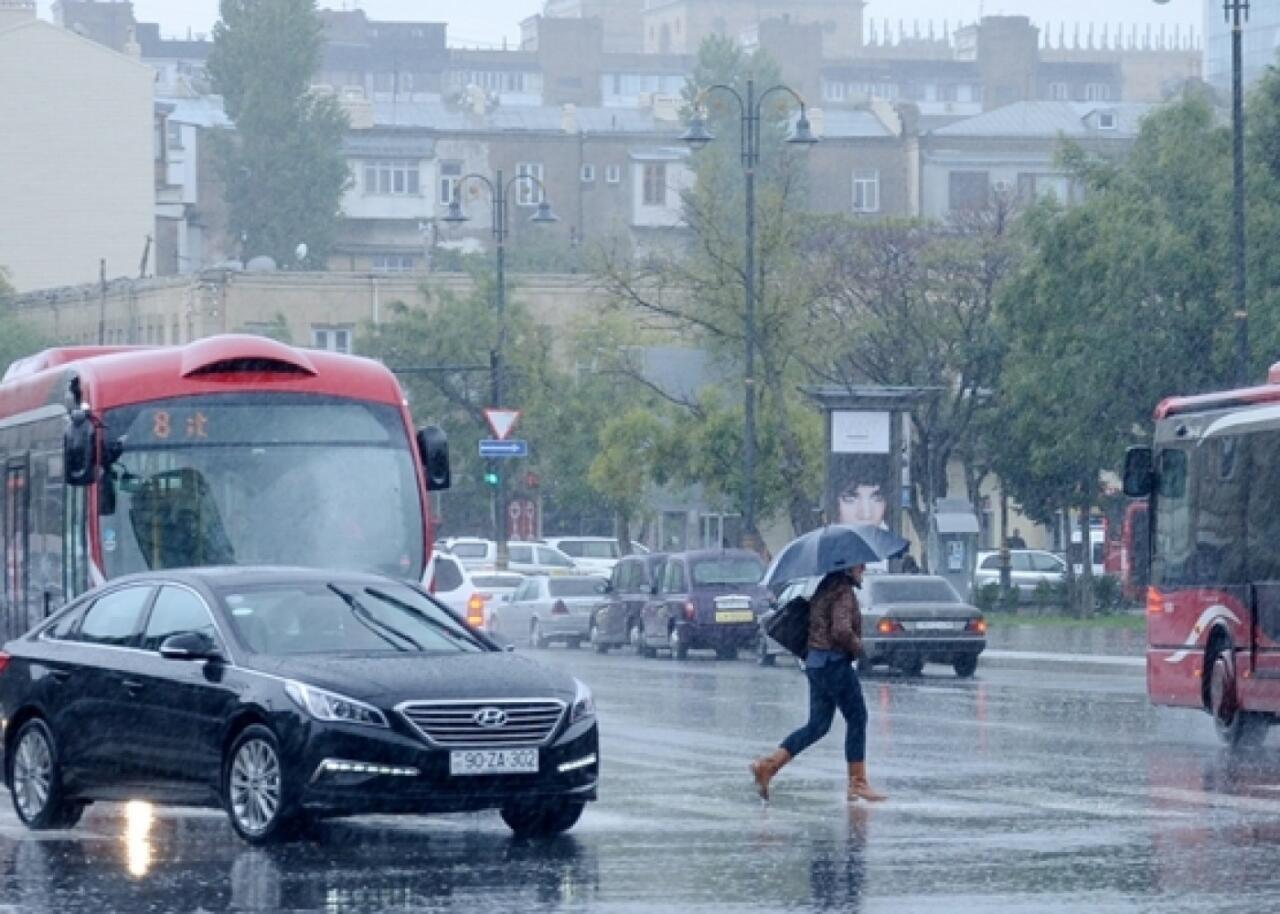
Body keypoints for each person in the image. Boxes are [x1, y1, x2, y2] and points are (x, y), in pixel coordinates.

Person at [749, 563, 887, 804]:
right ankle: (858, 783)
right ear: (848, 568)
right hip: (835, 663)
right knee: (857, 718)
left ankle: (769, 767)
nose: (863, 569)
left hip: (815, 663)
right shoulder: (843, 591)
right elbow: (841, 630)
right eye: (860, 566)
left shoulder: (825, 586)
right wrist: (859, 648)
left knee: (818, 725)